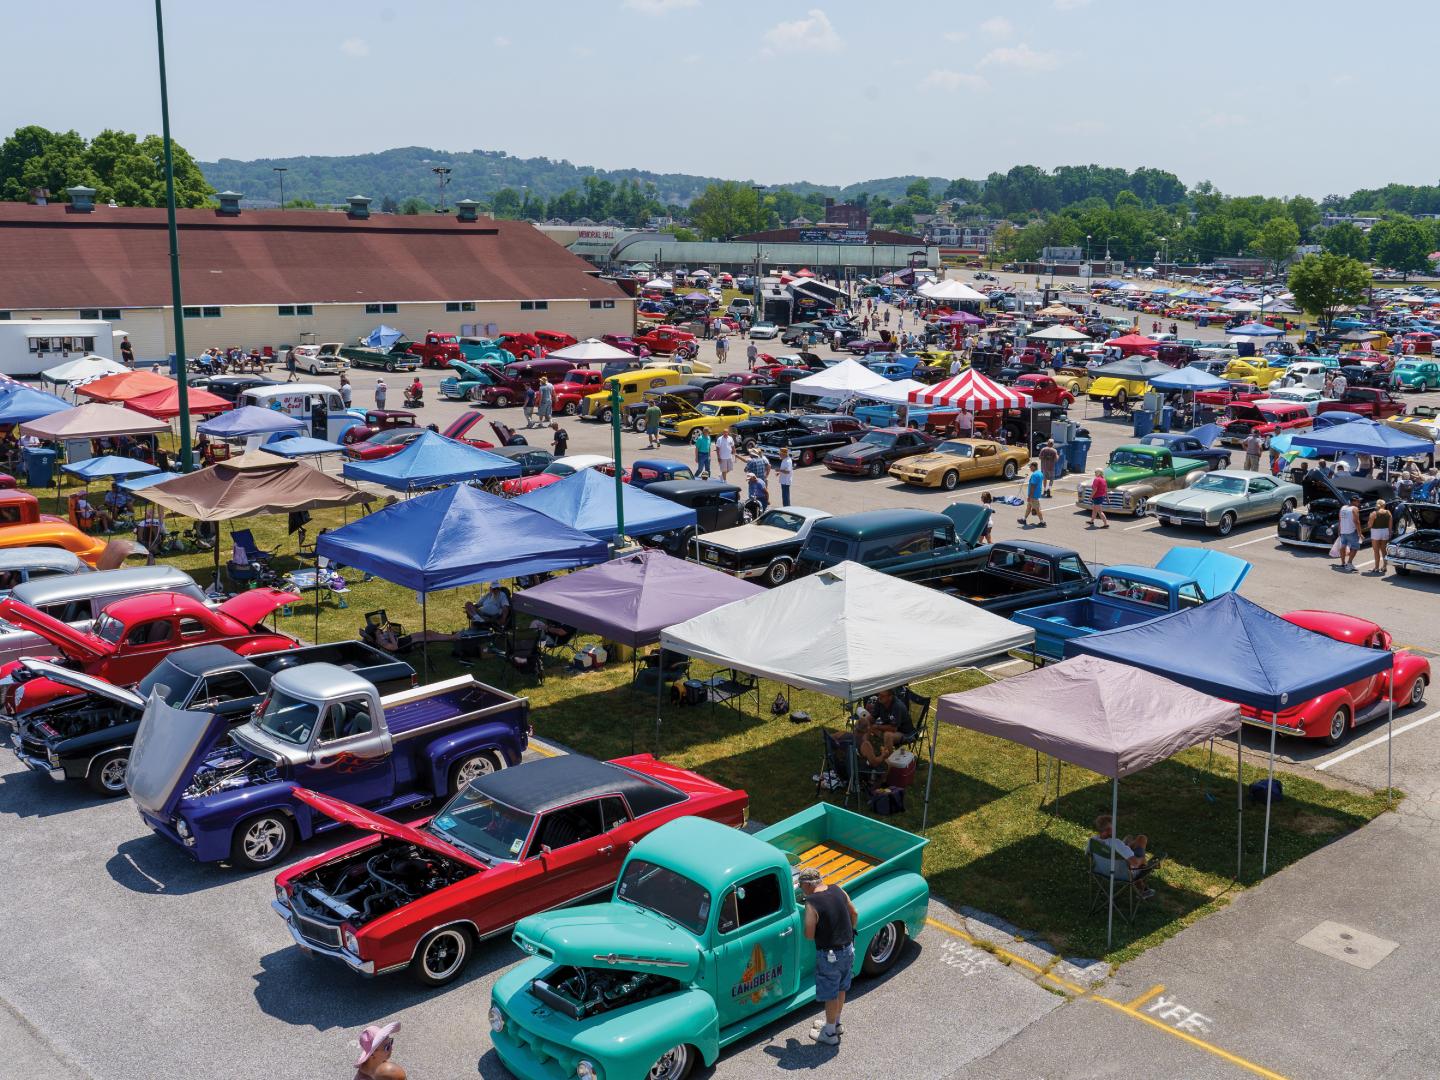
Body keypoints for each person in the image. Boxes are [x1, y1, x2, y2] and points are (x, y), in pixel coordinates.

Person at [800, 866, 858, 1046]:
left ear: (808, 885)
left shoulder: (812, 902)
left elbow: (809, 934)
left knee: (831, 993)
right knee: (841, 987)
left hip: (829, 955)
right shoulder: (837, 889)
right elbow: (854, 913)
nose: (801, 890)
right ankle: (836, 1023)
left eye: (801, 886)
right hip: (848, 948)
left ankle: (830, 1033)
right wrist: (849, 931)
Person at [1092, 814, 1154, 900]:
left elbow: (1088, 855)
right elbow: (1135, 863)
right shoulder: (1116, 843)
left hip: (1102, 870)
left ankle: (1128, 845)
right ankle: (1143, 889)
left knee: (1129, 839)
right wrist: (1144, 860)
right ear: (1109, 830)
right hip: (1123, 874)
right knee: (1142, 838)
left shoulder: (1092, 841)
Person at [1336, 494, 1362, 572]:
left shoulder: (1343, 508)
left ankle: (1343, 563)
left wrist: (1339, 530)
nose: (1359, 503)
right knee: (1355, 547)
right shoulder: (1355, 509)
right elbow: (1357, 522)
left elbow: (1340, 520)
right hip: (1351, 531)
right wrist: (1360, 533)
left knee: (1343, 546)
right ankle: (1349, 563)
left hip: (1343, 531)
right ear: (1354, 501)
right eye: (1358, 501)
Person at [1367, 499, 1392, 574]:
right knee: (1383, 550)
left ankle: (1376, 567)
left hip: (1376, 532)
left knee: (1376, 551)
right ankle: (1384, 566)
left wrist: (1369, 519)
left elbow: (1369, 525)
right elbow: (1390, 525)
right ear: (1384, 505)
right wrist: (1390, 533)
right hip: (1385, 531)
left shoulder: (1374, 513)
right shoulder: (1388, 512)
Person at [1018, 461, 1045, 528]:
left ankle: (1042, 522)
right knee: (1029, 507)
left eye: (1030, 466)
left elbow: (1033, 486)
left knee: (1037, 509)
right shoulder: (1040, 473)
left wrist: (1030, 496)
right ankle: (1024, 519)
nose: (1030, 468)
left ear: (1034, 466)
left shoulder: (1035, 475)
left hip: (1033, 495)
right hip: (1036, 494)